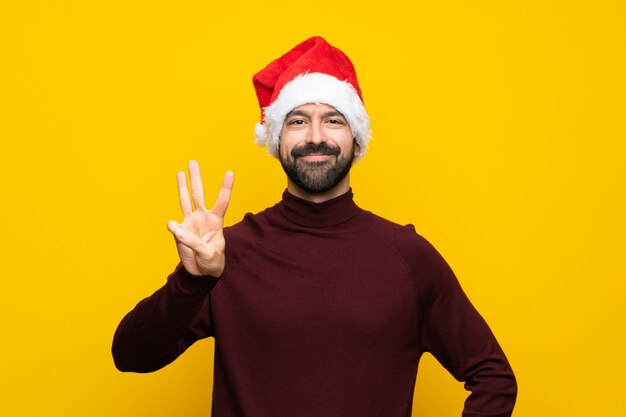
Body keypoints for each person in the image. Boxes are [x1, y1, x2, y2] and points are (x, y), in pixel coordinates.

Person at [112, 36, 517, 417]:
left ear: (357, 141)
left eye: (334, 120)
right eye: (298, 121)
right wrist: (191, 280)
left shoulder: (409, 258)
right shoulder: (224, 255)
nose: (316, 137)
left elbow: (494, 378)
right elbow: (130, 356)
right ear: (276, 141)